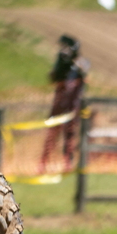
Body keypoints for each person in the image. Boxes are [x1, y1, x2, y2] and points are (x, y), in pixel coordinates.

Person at [40, 35, 90, 173]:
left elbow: (84, 72)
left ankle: (68, 162)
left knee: (70, 135)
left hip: (72, 105)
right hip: (60, 104)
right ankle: (44, 163)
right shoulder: (62, 62)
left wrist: (73, 63)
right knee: (52, 134)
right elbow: (53, 77)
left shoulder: (81, 63)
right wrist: (61, 64)